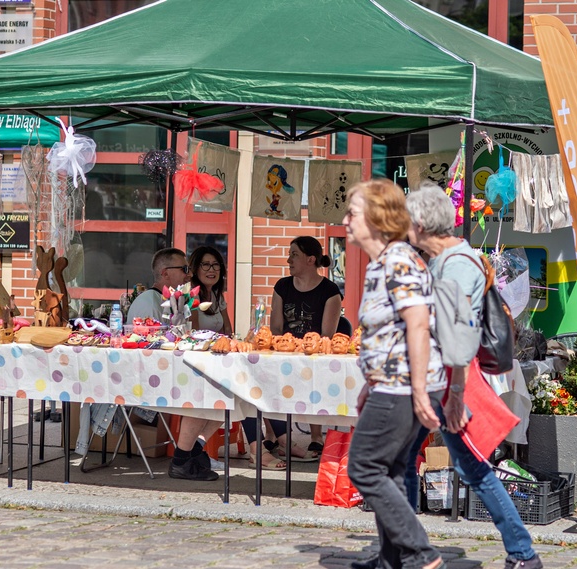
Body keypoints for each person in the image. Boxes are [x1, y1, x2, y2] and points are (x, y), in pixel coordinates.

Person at [406, 183, 543, 569]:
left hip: (448, 383)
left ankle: (522, 553)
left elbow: (460, 332)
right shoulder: (445, 259)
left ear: (420, 223)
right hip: (440, 380)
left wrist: (454, 397)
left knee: (472, 467)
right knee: (452, 464)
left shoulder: (454, 265)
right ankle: (407, 547)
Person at [344, 179, 446, 569]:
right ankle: (393, 561)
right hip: (390, 384)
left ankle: (421, 554)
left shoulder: (399, 258)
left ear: (375, 218)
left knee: (364, 466)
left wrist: (419, 392)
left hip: (404, 387)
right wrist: (370, 384)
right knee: (389, 470)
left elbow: (418, 323)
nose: (346, 220)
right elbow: (386, 332)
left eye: (352, 212)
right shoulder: (382, 262)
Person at [240, 236, 340, 465]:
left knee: (315, 377)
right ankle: (276, 437)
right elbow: (275, 328)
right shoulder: (282, 286)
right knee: (259, 380)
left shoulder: (330, 291)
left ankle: (314, 436)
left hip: (314, 357)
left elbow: (327, 335)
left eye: (294, 254)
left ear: (311, 259)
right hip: (284, 354)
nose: (288, 259)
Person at [127, 247, 224, 482]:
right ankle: (182, 460)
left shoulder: (175, 301)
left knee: (227, 391)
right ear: (165, 273)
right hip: (148, 380)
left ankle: (194, 452)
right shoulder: (148, 301)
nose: (189, 275)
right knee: (203, 391)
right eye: (184, 269)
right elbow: (150, 346)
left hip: (171, 372)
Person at [189, 246, 233, 336]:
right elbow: (194, 333)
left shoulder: (217, 295)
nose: (212, 270)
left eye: (215, 264)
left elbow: (227, 330)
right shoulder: (191, 295)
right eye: (206, 265)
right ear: (195, 269)